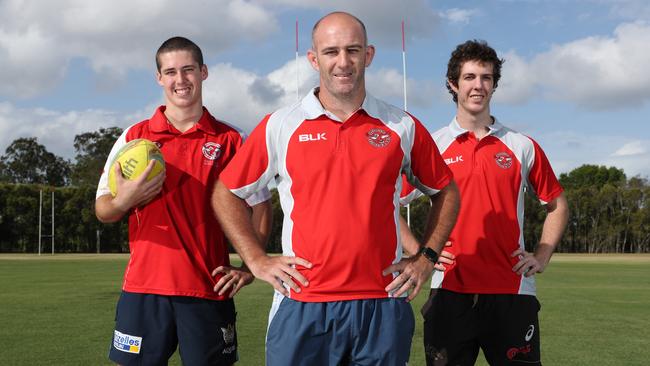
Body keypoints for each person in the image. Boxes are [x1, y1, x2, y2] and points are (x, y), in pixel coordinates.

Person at [211, 11, 460, 366]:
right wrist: (256, 259)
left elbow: (446, 192)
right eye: (331, 52)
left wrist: (426, 259)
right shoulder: (281, 125)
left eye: (353, 50)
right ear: (313, 59)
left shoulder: (401, 125)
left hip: (382, 303)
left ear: (368, 55)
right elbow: (226, 192)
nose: (343, 62)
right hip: (302, 303)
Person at [95, 36, 271, 366]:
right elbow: (103, 208)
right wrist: (124, 201)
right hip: (144, 288)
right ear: (159, 78)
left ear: (203, 72)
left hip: (207, 288)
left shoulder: (231, 139)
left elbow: (261, 205)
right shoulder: (135, 137)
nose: (180, 80)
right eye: (171, 71)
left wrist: (251, 265)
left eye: (188, 69)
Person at [400, 40, 569, 365]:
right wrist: (420, 252)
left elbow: (557, 204)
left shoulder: (521, 146)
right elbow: (389, 202)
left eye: (486, 77)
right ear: (453, 83)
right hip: (449, 291)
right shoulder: (432, 145)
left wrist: (543, 254)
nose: (478, 85)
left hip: (513, 293)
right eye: (469, 77)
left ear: (494, 84)